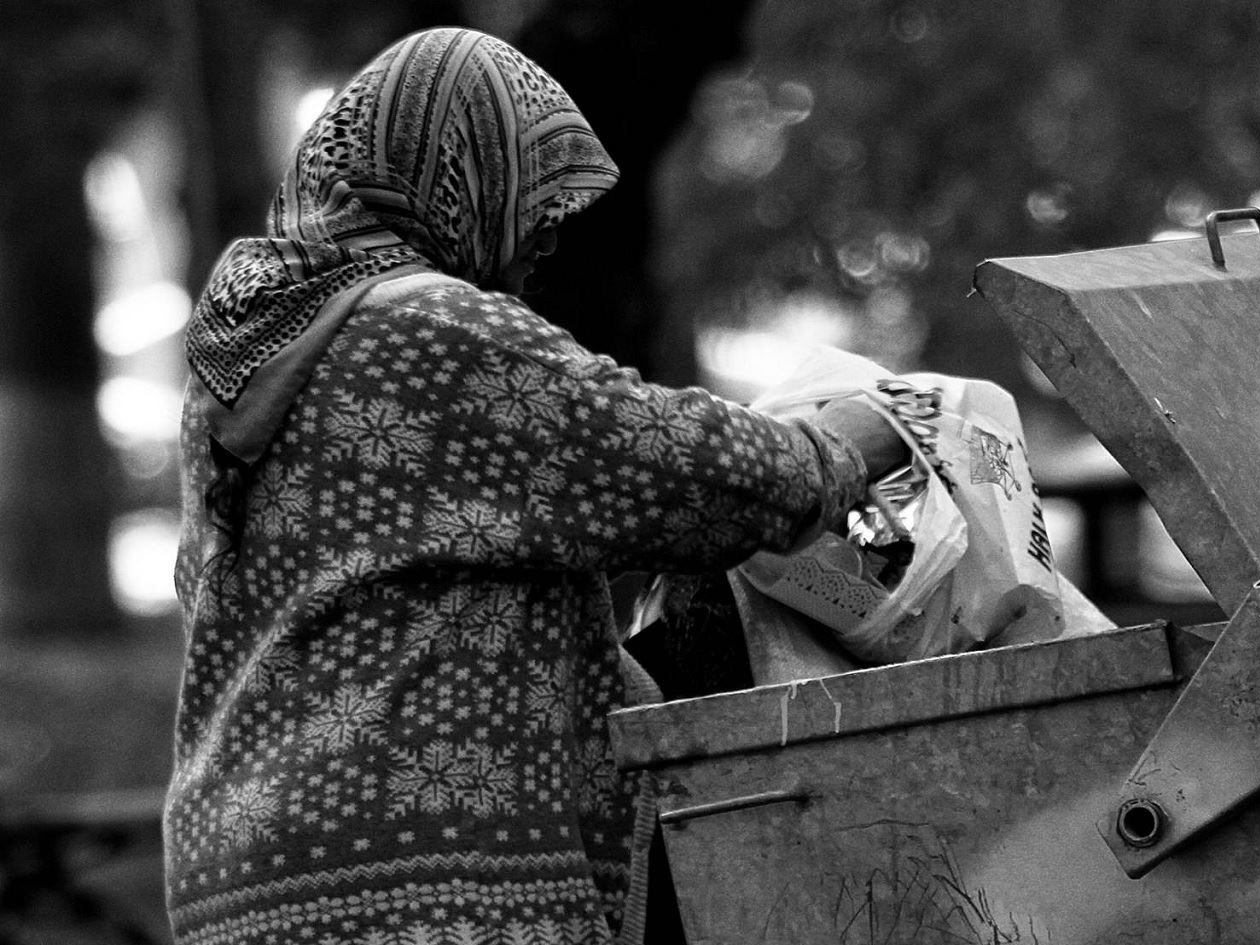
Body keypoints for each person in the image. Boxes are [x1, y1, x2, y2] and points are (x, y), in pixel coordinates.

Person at [164, 26, 905, 945]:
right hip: (426, 877)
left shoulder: (252, 338)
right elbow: (673, 465)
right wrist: (845, 446)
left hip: (245, 862)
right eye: (531, 192)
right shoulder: (430, 328)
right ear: (454, 172)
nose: (549, 233)